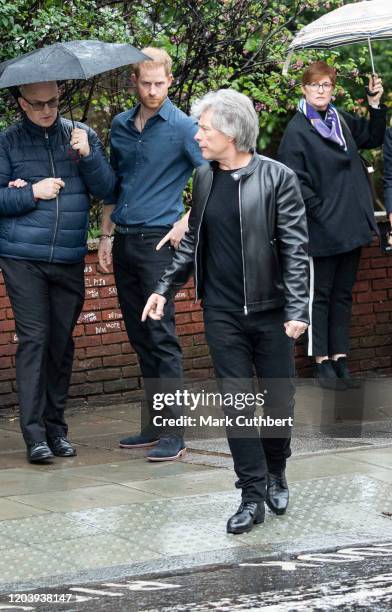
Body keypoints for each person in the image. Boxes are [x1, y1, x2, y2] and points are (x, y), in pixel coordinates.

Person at [142, 89, 309, 534]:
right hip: (221, 310)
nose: (197, 135)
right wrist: (165, 288)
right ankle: (251, 494)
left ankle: (276, 470)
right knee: (236, 405)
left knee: (277, 401)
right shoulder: (203, 177)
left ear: (232, 133)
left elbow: (295, 248)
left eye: (205, 128)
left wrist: (298, 308)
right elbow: (193, 240)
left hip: (273, 311)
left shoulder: (278, 178)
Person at [0, 81, 115, 463]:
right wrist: (32, 192)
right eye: (37, 104)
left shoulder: (83, 135)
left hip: (67, 258)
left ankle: (56, 429)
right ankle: (34, 437)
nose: (47, 110)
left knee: (61, 342)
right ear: (21, 104)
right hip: (23, 257)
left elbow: (108, 189)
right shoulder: (8, 142)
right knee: (35, 339)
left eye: (52, 102)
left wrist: (88, 156)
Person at [98, 47, 204, 462]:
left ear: (170, 81)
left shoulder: (183, 127)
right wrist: (106, 237)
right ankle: (154, 425)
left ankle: (174, 433)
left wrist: (187, 220)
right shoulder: (121, 126)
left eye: (160, 83)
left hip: (160, 243)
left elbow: (215, 173)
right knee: (140, 338)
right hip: (125, 241)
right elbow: (115, 186)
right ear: (134, 82)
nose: (153, 90)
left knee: (162, 337)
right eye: (146, 83)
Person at [278, 61, 386, 389]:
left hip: (352, 224)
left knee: (342, 295)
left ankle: (340, 358)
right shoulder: (297, 130)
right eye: (315, 85)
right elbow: (294, 181)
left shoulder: (340, 119)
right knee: (319, 295)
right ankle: (321, 361)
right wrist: (321, 210)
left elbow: (372, 136)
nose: (321, 91)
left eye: (326, 85)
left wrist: (375, 105)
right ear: (304, 89)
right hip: (322, 228)